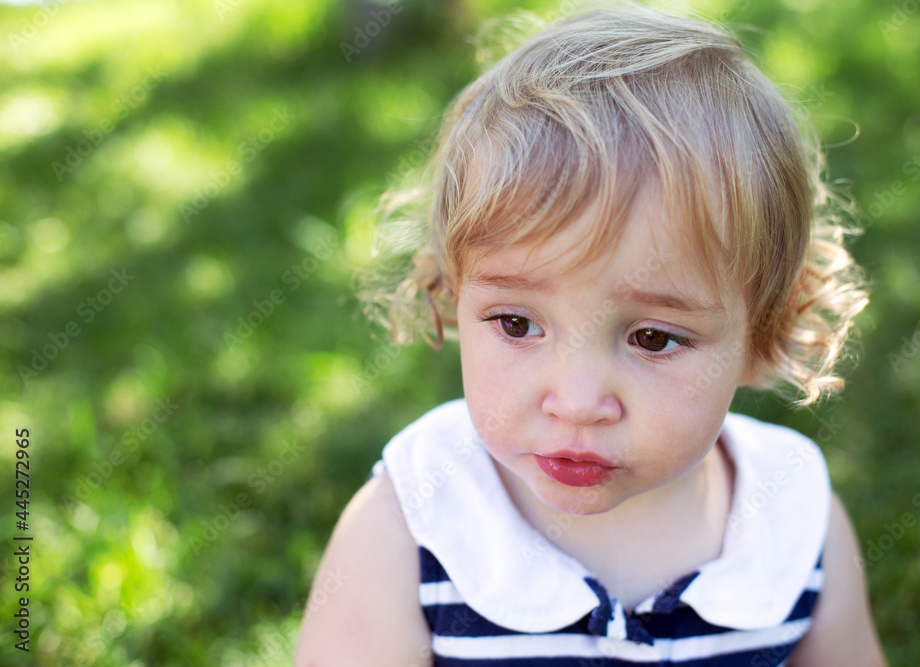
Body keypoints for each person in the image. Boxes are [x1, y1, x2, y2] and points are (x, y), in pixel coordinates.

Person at [296, 4, 886, 665]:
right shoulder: (411, 527)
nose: (576, 401)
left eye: (654, 338)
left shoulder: (793, 523)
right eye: (517, 323)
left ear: (766, 335)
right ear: (452, 296)